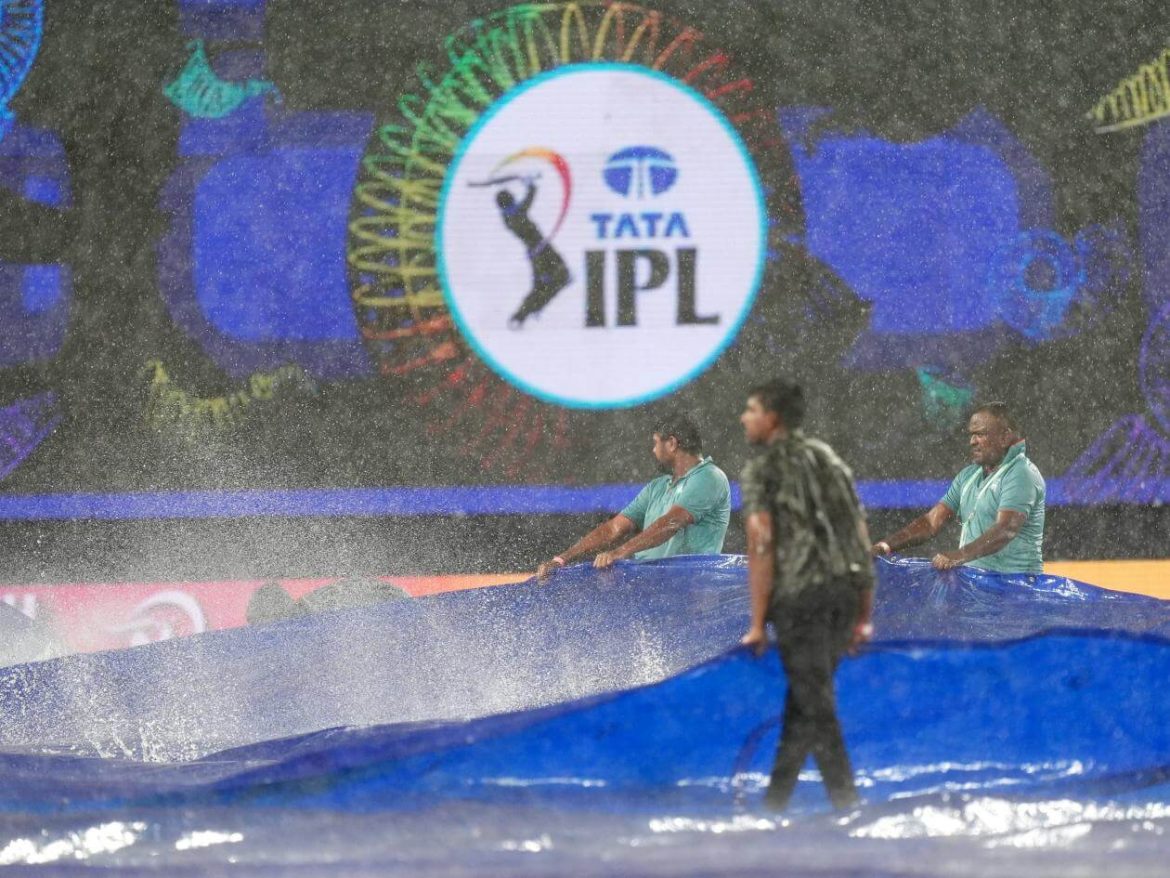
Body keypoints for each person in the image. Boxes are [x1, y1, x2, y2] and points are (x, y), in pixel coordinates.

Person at [739, 378, 875, 811]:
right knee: (804, 701)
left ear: (772, 419)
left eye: (751, 409)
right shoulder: (827, 458)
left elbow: (762, 544)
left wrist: (758, 623)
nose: (744, 417)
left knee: (816, 705)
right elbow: (858, 532)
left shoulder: (761, 469)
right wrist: (863, 611)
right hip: (843, 596)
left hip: (800, 602)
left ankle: (847, 806)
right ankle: (775, 803)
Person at [535, 413, 730, 577]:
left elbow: (672, 522)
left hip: (693, 597)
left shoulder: (710, 477)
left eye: (655, 443)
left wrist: (619, 553)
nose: (653, 450)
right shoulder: (658, 487)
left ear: (671, 443)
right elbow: (613, 528)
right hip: (655, 594)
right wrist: (562, 559)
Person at [872, 402, 1045, 573]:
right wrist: (885, 546)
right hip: (980, 591)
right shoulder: (969, 476)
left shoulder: (1022, 474)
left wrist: (958, 556)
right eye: (971, 435)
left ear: (1004, 437)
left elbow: (1006, 529)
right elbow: (931, 522)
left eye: (980, 434)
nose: (972, 441)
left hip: (1015, 592)